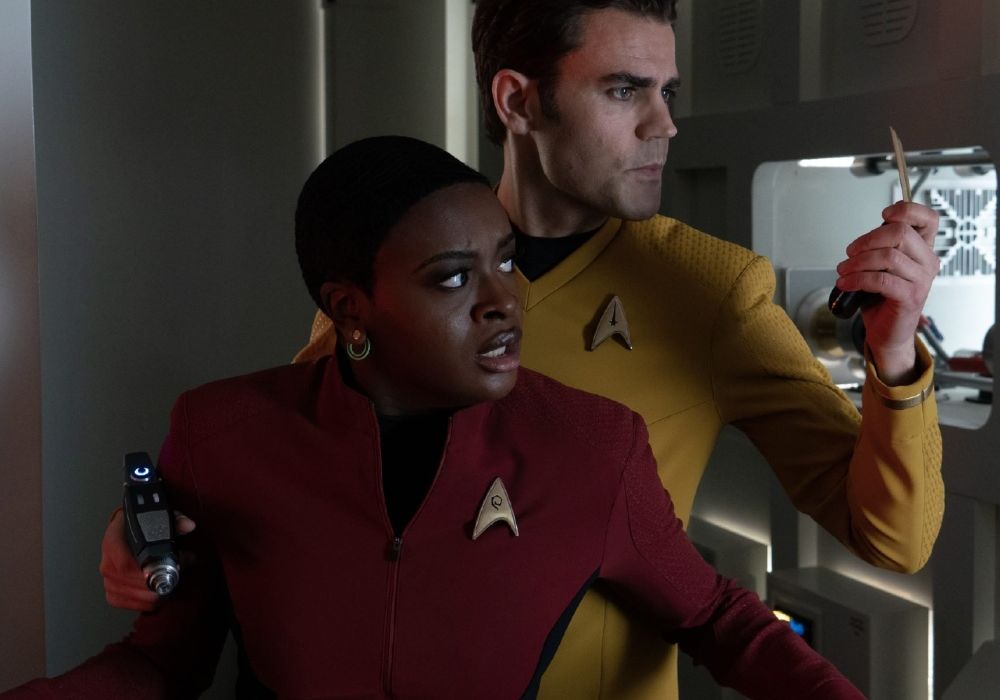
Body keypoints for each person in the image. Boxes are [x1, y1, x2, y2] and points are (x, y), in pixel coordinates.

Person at [99, 1, 945, 697]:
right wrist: (155, 536)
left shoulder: (712, 290)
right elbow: (293, 477)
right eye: (624, 89)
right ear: (517, 101)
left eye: (668, 92)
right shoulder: (397, 260)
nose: (664, 125)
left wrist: (896, 353)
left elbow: (894, 541)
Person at [3, 136, 865, 699]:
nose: (504, 303)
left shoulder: (593, 445)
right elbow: (160, 664)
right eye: (453, 278)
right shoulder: (220, 434)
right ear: (350, 309)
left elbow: (716, 617)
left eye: (505, 263)